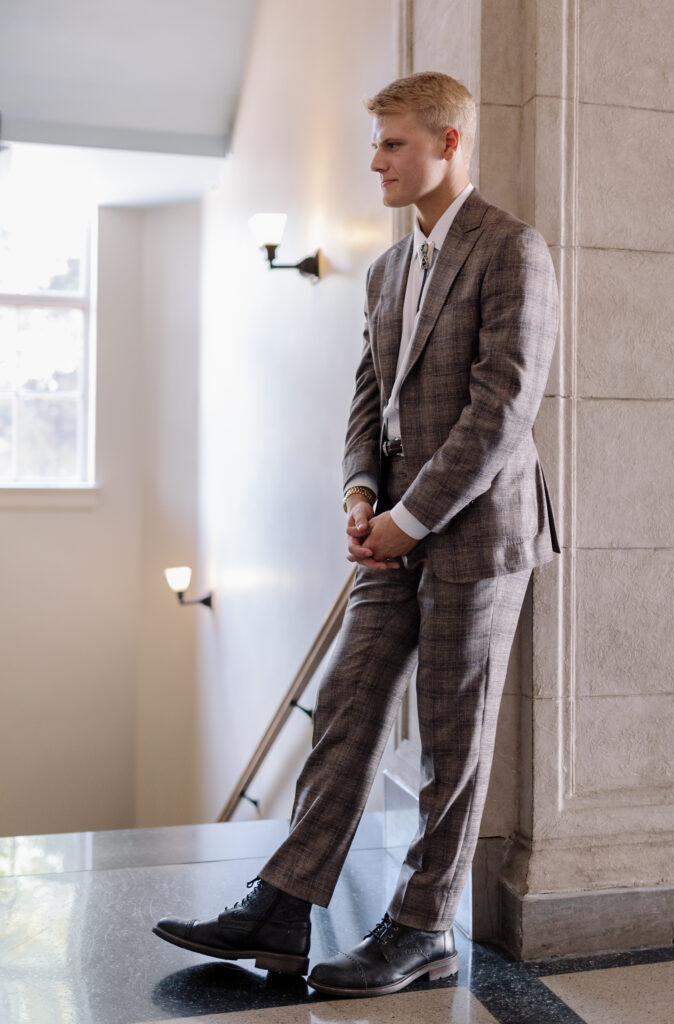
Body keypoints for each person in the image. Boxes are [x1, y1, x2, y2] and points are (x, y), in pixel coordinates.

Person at [154, 71, 560, 998]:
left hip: (475, 531)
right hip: (389, 531)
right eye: (375, 143)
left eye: (391, 143)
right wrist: (357, 491)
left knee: (454, 737)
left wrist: (404, 520)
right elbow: (367, 397)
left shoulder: (512, 251)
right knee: (346, 706)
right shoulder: (385, 269)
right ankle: (283, 904)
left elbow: (500, 412)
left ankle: (422, 929)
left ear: (448, 143)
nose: (373, 160)